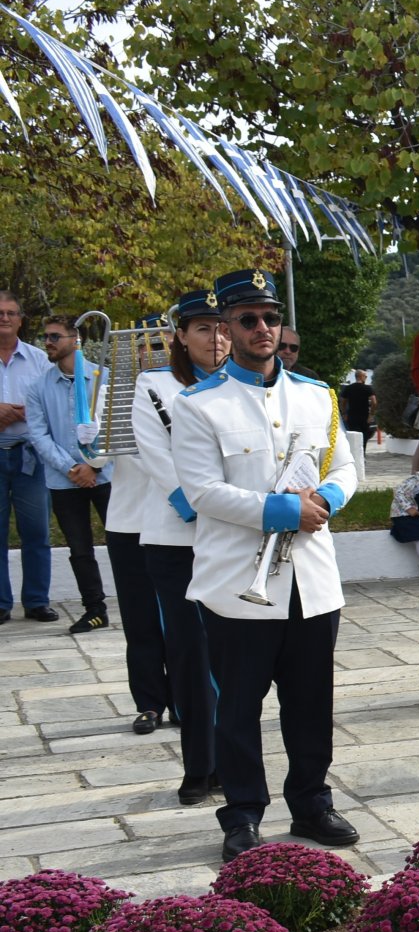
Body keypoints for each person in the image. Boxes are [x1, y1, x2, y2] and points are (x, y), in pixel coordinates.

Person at [171, 268, 359, 862]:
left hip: (311, 581)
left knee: (311, 703)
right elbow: (202, 492)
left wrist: (328, 499)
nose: (261, 328)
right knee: (239, 709)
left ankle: (311, 801)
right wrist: (282, 510)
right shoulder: (198, 404)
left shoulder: (316, 395)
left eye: (270, 317)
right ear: (226, 327)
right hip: (236, 585)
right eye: (247, 319)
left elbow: (344, 467)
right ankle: (244, 812)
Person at [134, 289, 226, 803]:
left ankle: (233, 759)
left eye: (221, 328)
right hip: (177, 537)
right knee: (190, 655)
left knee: (234, 659)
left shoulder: (243, 385)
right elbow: (159, 458)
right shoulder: (154, 385)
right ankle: (200, 765)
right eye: (203, 329)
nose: (215, 339)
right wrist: (199, 501)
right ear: (181, 337)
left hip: (233, 537)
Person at [99, 315, 171, 735]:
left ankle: (185, 697)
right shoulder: (113, 392)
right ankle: (149, 701)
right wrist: (88, 440)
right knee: (139, 617)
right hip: (128, 520)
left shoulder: (185, 391)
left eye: (160, 344)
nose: (153, 353)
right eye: (146, 346)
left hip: (171, 517)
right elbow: (95, 460)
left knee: (182, 618)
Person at [24, 315, 114, 634]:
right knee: (79, 548)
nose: (47, 342)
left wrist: (94, 465)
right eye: (45, 337)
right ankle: (94, 609)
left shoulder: (104, 377)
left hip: (105, 476)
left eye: (54, 337)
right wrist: (72, 468)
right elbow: (38, 434)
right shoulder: (38, 386)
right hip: (64, 480)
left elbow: (113, 427)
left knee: (122, 542)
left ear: (74, 340)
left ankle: (138, 600)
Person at [0, 291, 54, 625]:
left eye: (10, 313)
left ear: (21, 319)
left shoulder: (39, 360)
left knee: (37, 532)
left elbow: (50, 406)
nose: (4, 318)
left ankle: (36, 601)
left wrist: (18, 413)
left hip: (30, 457)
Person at [340, 368, 375, 437]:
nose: (366, 378)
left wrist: (344, 414)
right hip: (364, 417)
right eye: (365, 376)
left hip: (352, 417)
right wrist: (371, 415)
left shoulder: (348, 388)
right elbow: (374, 402)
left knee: (353, 437)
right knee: (363, 438)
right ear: (360, 376)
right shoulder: (367, 388)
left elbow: (342, 402)